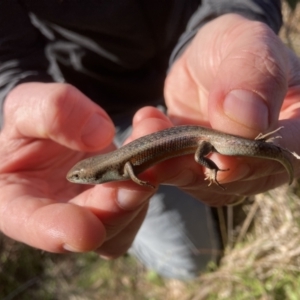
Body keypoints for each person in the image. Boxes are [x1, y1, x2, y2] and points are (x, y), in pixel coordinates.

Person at [0, 0, 299, 280]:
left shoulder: (117, 169)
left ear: (94, 173)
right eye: (79, 175)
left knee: (209, 163)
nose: (79, 178)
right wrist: (12, 94)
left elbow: (130, 171)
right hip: (106, 107)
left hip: (194, 93)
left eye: (80, 176)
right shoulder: (108, 165)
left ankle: (258, 168)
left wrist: (234, 12)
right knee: (187, 263)